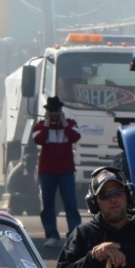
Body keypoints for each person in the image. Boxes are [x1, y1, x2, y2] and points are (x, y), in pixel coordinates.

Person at [31, 96, 81, 249]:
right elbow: (39, 140)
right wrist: (47, 123)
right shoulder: (40, 126)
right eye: (51, 111)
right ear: (46, 112)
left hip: (66, 171)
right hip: (47, 171)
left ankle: (74, 234)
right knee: (48, 205)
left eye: (56, 111)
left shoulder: (71, 125)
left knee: (70, 204)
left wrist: (63, 122)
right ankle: (51, 235)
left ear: (61, 111)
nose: (54, 113)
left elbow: (75, 137)